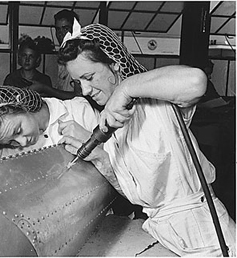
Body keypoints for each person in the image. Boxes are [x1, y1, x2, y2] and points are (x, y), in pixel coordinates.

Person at [57, 21, 236, 256]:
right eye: (78, 82)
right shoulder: (110, 120)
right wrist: (100, 158)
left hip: (204, 233)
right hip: (162, 233)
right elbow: (136, 193)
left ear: (115, 64)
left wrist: (126, 88)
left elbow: (196, 81)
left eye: (89, 77)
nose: (85, 90)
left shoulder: (155, 102)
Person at [0, 85, 99, 161]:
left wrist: (90, 140)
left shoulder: (80, 111)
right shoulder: (3, 153)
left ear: (22, 105)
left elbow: (117, 166)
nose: (23, 143)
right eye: (11, 142)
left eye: (18, 131)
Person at [3, 36, 76, 100]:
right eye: (24, 55)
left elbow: (49, 103)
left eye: (31, 56)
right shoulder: (11, 79)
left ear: (37, 59)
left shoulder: (44, 80)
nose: (27, 60)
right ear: (19, 57)